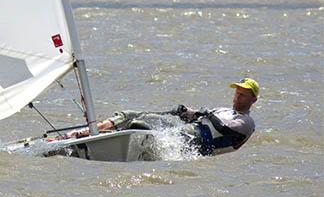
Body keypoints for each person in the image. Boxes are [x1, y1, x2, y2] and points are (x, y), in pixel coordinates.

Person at [62, 78, 259, 156]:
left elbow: (222, 127)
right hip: (185, 131)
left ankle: (109, 143)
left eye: (243, 94)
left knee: (139, 125)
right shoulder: (223, 109)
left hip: (193, 144)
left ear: (253, 99)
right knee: (132, 115)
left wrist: (202, 113)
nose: (237, 96)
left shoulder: (247, 122)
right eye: (237, 92)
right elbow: (201, 117)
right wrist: (186, 112)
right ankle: (86, 133)